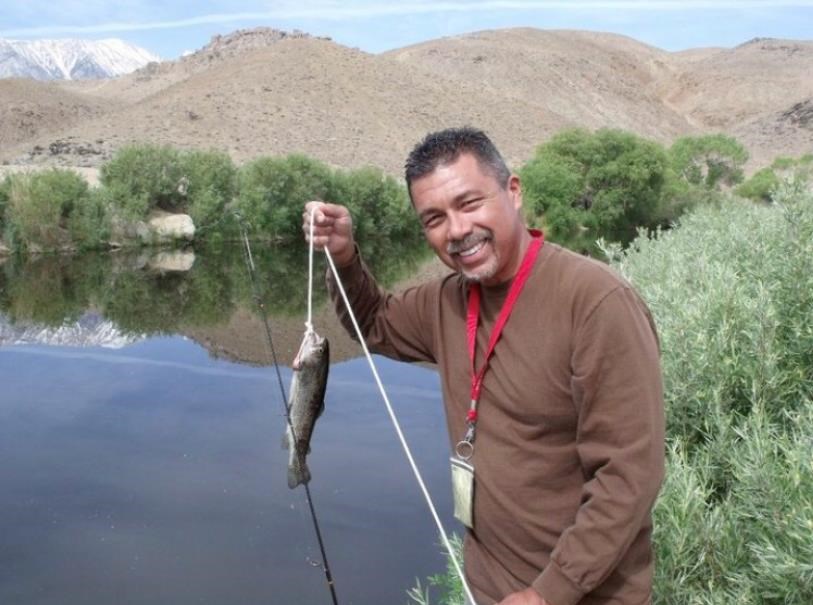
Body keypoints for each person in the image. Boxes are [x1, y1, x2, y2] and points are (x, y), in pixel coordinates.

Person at [303, 127, 665, 605]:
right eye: (434, 218)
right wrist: (344, 256)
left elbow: (628, 476)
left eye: (469, 203)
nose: (456, 231)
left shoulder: (597, 303)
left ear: (512, 192)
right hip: (490, 587)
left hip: (583, 594)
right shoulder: (447, 300)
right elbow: (373, 322)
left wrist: (547, 593)